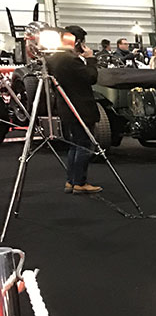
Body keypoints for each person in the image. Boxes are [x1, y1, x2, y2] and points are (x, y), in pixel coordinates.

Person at [46, 25, 102, 194]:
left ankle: (71, 181)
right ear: (77, 42)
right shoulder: (71, 60)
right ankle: (79, 182)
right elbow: (91, 77)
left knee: (74, 145)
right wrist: (91, 59)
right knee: (84, 145)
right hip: (80, 108)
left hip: (66, 107)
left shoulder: (54, 59)